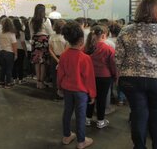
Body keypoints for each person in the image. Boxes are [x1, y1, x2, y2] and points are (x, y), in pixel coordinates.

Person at [116, 0, 157, 149]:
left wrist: (119, 78)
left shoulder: (125, 30)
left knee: (138, 114)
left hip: (131, 78)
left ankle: (139, 147)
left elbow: (118, 59)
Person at [57, 20, 95, 149]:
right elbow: (89, 79)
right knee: (80, 115)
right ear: (81, 41)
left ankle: (67, 136)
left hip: (67, 89)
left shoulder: (63, 56)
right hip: (81, 92)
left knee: (67, 112)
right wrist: (93, 94)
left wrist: (59, 87)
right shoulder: (85, 58)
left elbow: (60, 74)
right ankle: (81, 141)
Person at [84, 25, 116, 129]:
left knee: (90, 97)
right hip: (105, 77)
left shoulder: (87, 47)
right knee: (101, 99)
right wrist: (115, 76)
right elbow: (113, 65)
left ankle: (87, 119)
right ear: (103, 35)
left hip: (89, 76)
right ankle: (100, 121)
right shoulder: (109, 49)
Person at [29, 4, 54, 89]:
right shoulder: (46, 20)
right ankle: (41, 82)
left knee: (37, 62)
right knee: (43, 63)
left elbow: (31, 33)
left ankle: (38, 82)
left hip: (35, 41)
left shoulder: (31, 20)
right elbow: (50, 32)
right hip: (44, 41)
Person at [49, 19, 67, 100]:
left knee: (55, 77)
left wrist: (56, 59)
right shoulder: (65, 38)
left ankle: (54, 95)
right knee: (63, 77)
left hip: (54, 58)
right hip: (64, 58)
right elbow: (66, 50)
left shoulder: (52, 36)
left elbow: (50, 49)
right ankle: (62, 94)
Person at [0, 18, 17, 88]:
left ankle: (1, 82)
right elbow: (14, 45)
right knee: (9, 69)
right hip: (9, 52)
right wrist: (16, 54)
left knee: (3, 68)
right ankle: (8, 83)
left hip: (1, 51)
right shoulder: (11, 33)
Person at [12, 18, 27, 84]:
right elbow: (23, 42)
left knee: (14, 65)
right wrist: (26, 50)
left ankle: (14, 78)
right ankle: (20, 79)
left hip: (12, 49)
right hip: (20, 50)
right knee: (20, 65)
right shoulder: (21, 32)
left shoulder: (11, 32)